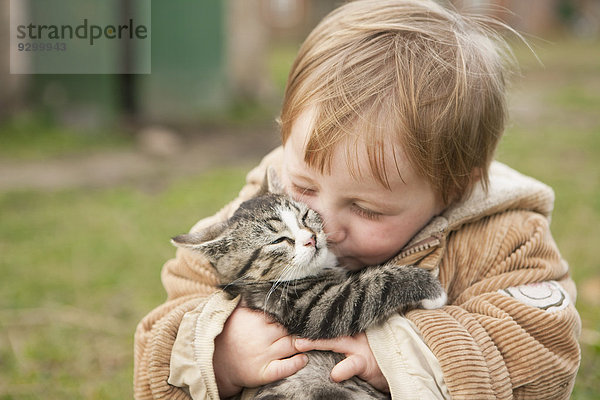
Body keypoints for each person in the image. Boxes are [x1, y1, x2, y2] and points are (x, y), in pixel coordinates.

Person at [134, 0, 581, 398]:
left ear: (455, 188)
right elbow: (159, 342)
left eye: (366, 208)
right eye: (304, 188)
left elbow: (544, 351)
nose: (320, 225)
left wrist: (399, 354)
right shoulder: (249, 221)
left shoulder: (507, 237)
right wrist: (217, 351)